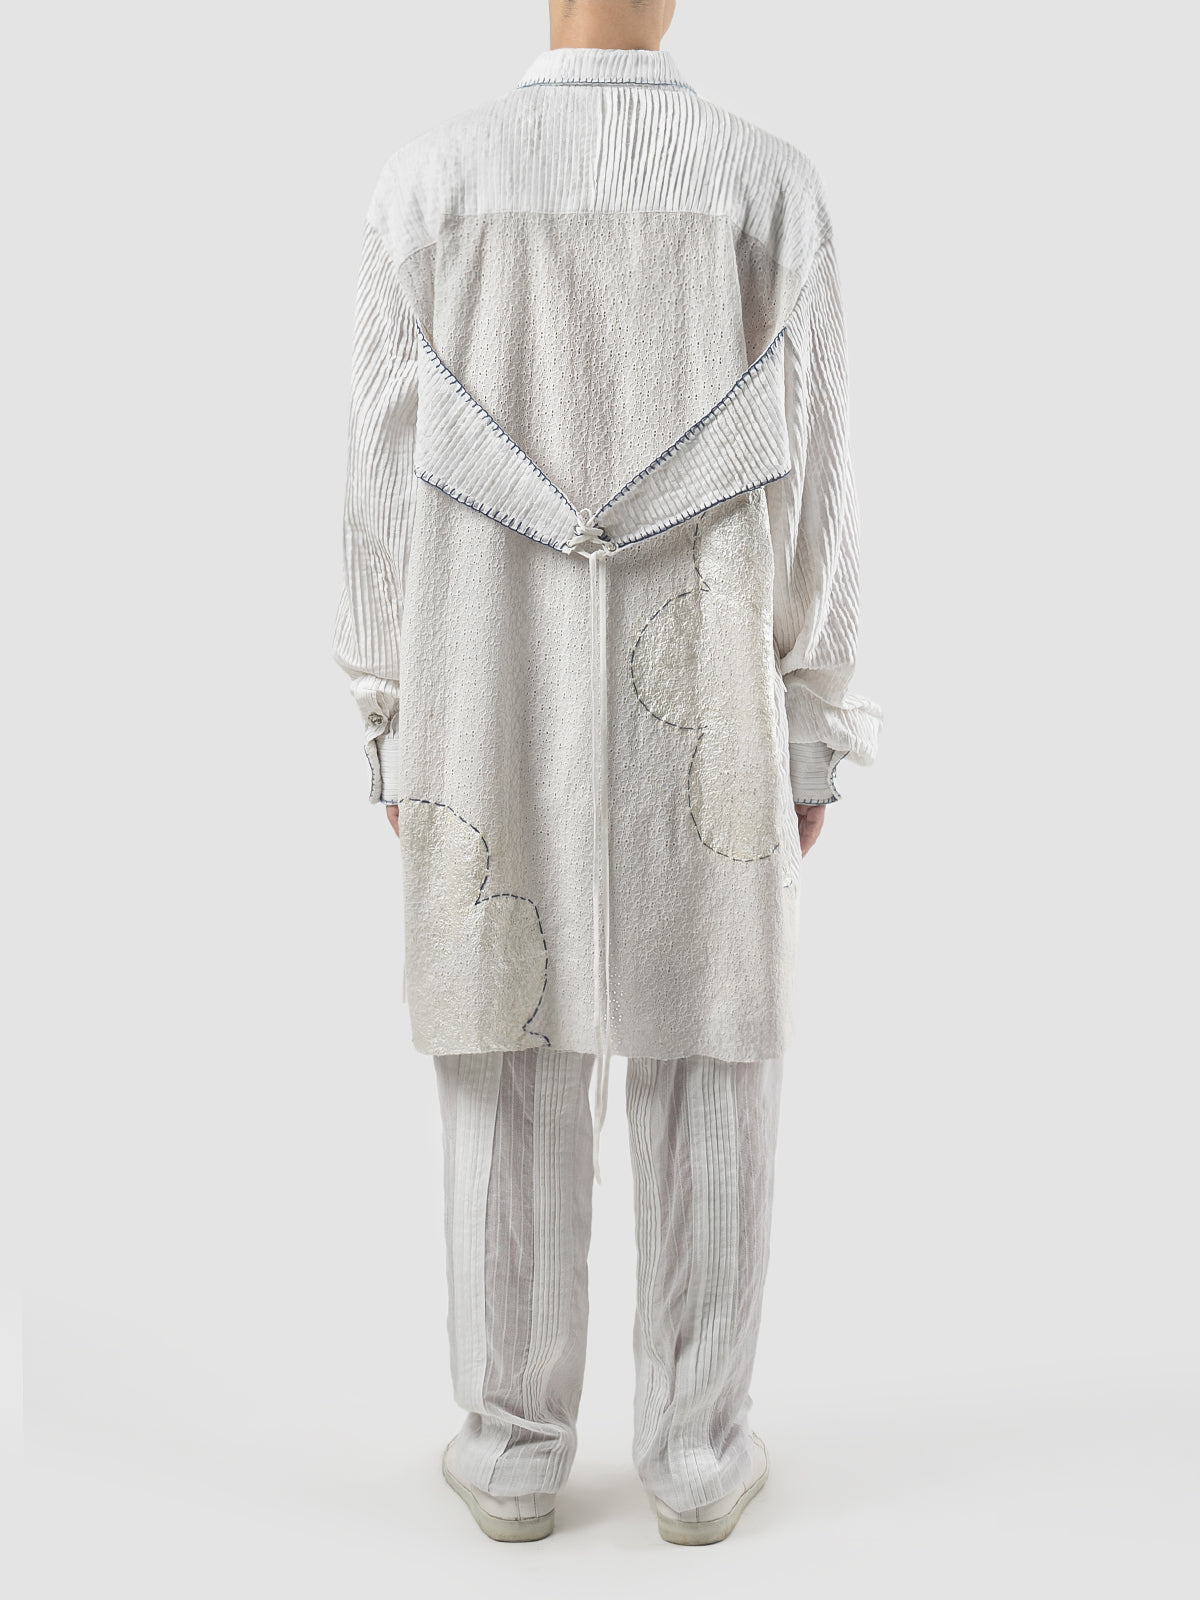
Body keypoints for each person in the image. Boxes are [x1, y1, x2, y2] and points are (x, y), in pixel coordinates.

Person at [332, 0, 880, 1546]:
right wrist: (814, 714)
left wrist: (388, 712)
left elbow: (376, 480)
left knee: (502, 1032)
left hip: (483, 671)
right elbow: (819, 483)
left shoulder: (428, 187)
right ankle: (697, 1456)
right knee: (713, 1040)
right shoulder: (767, 186)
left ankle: (512, 1449)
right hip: (699, 667)